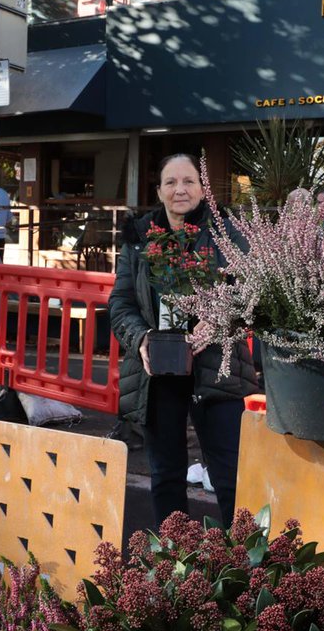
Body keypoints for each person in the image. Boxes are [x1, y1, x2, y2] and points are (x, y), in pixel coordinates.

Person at [108, 153, 258, 528]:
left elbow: (252, 290)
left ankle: (237, 566)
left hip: (217, 365)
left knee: (230, 476)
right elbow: (121, 302)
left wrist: (219, 320)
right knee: (166, 474)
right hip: (156, 368)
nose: (180, 190)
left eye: (189, 181)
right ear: (158, 191)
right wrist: (140, 338)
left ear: (202, 188)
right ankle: (175, 564)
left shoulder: (226, 231)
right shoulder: (138, 238)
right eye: (171, 182)